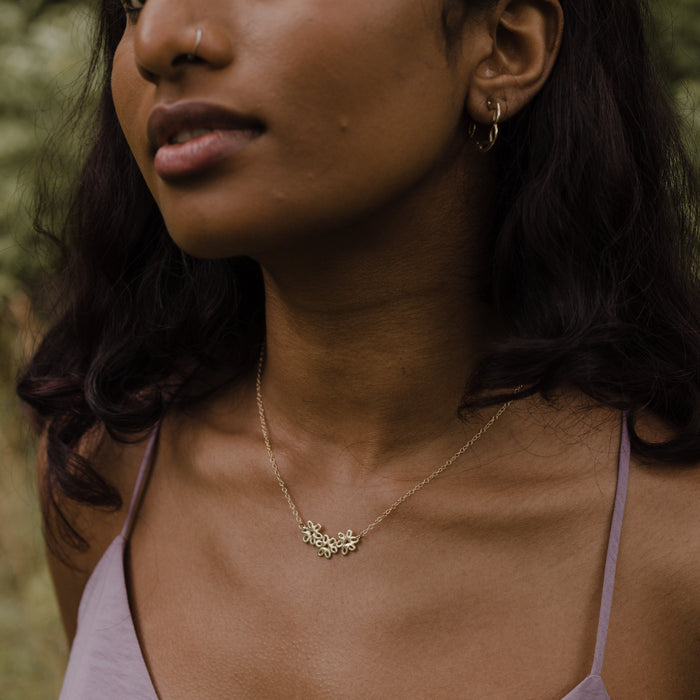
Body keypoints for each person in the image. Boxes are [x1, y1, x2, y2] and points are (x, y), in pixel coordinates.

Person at [18, 0, 700, 697]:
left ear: (503, 44)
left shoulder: (679, 547)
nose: (156, 40)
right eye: (132, 5)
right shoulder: (104, 469)